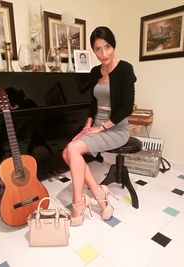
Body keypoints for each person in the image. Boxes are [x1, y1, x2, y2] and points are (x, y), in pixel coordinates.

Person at [62, 26, 137, 226]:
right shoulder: (96, 71)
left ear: (114, 45)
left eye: (108, 47)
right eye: (98, 49)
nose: (103, 54)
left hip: (116, 128)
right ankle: (99, 194)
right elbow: (92, 104)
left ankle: (77, 205)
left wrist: (101, 127)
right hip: (96, 125)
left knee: (72, 150)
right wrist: (88, 125)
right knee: (67, 153)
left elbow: (126, 108)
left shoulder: (125, 69)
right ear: (93, 50)